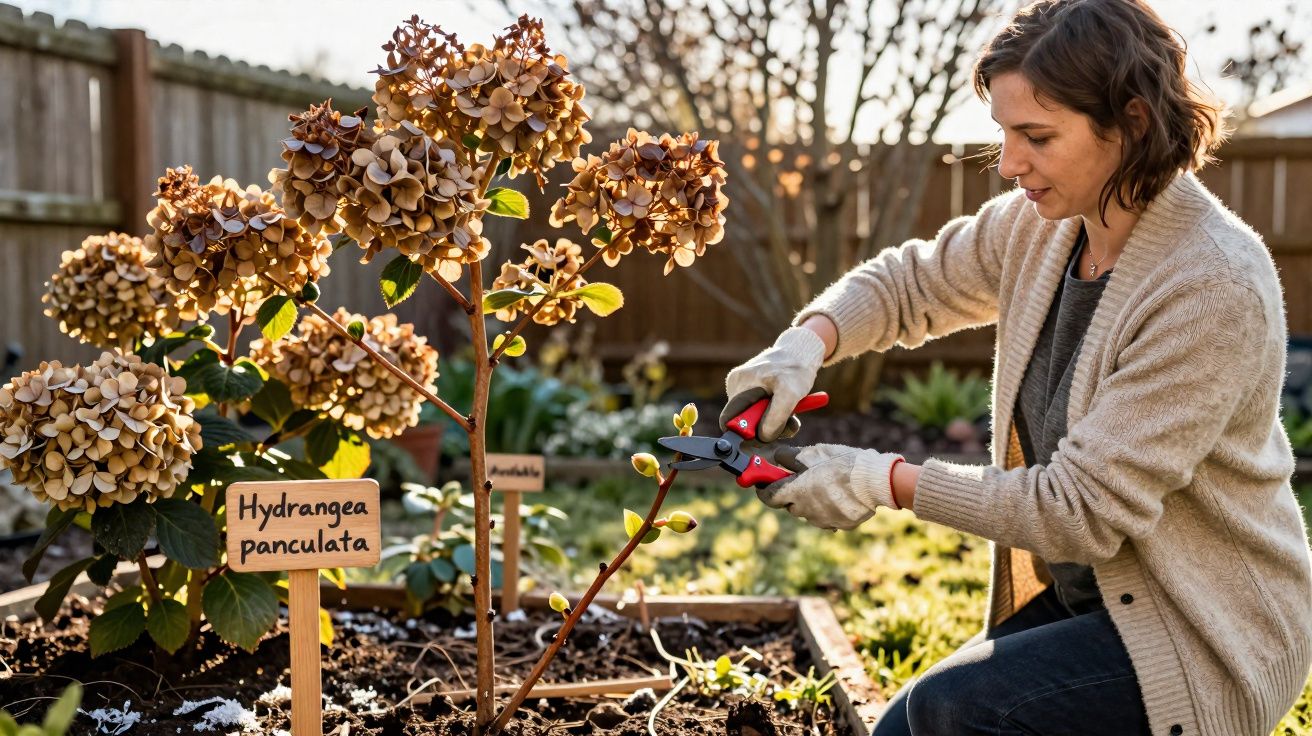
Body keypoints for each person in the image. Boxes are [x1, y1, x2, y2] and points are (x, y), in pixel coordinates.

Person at [719, 1, 1312, 734]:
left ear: (1131, 123)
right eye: (1004, 133)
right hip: (1093, 601)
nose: (1008, 164)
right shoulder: (1045, 224)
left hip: (1204, 633)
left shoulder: (1209, 286)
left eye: (1036, 136)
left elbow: (1077, 512)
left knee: (939, 718)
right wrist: (806, 342)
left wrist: (882, 481)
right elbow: (910, 283)